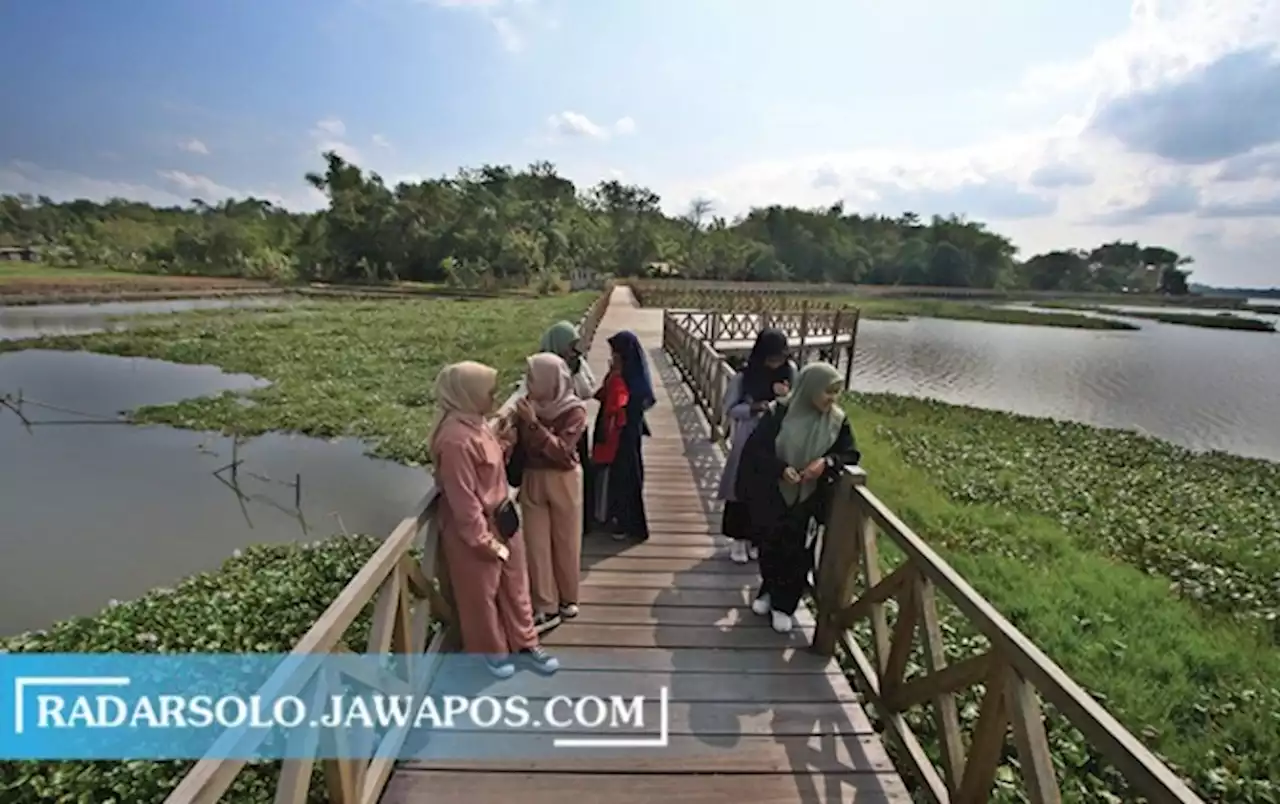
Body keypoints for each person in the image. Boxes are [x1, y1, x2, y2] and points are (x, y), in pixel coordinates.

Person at [429, 360, 559, 678]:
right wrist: (483, 541)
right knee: (481, 597)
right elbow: (463, 500)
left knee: (516, 585)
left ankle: (525, 644)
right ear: (467, 393)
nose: (493, 397)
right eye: (488, 391)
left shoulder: (476, 423)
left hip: (503, 519)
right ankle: (492, 655)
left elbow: (488, 465)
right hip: (479, 530)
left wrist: (504, 441)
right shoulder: (454, 439)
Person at [736, 361, 860, 634]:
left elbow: (850, 454)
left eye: (836, 393)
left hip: (809, 498)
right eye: (827, 392)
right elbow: (757, 450)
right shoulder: (779, 412)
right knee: (770, 545)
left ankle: (785, 604)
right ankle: (767, 591)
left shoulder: (837, 421)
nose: (832, 399)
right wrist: (780, 469)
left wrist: (826, 462)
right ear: (810, 389)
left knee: (798, 553)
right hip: (775, 493)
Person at [515, 353, 588, 633]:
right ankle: (545, 605)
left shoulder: (574, 411)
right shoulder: (528, 406)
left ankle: (568, 597)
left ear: (551, 380)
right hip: (533, 477)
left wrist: (533, 424)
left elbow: (562, 451)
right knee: (536, 545)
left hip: (563, 479)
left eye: (532, 377)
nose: (528, 383)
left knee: (565, 540)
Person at [717, 328, 796, 564]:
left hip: (776, 442)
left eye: (781, 357)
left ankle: (754, 539)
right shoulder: (744, 377)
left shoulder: (791, 373)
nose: (777, 362)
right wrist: (754, 408)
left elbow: (799, 404)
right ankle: (738, 540)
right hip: (748, 439)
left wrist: (785, 397)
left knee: (764, 493)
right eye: (773, 357)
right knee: (740, 489)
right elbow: (729, 408)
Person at [591, 330, 654, 542]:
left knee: (627, 476)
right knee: (615, 475)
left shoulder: (634, 380)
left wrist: (617, 379)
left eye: (616, 352)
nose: (613, 356)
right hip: (616, 433)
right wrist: (612, 376)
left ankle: (629, 523)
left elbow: (629, 404)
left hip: (625, 434)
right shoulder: (621, 373)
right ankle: (614, 516)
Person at [539, 321, 598, 533]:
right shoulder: (541, 364)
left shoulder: (577, 362)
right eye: (569, 344)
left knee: (580, 470)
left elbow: (589, 390)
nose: (572, 349)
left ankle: (584, 520)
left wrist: (575, 371)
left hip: (574, 424)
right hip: (546, 430)